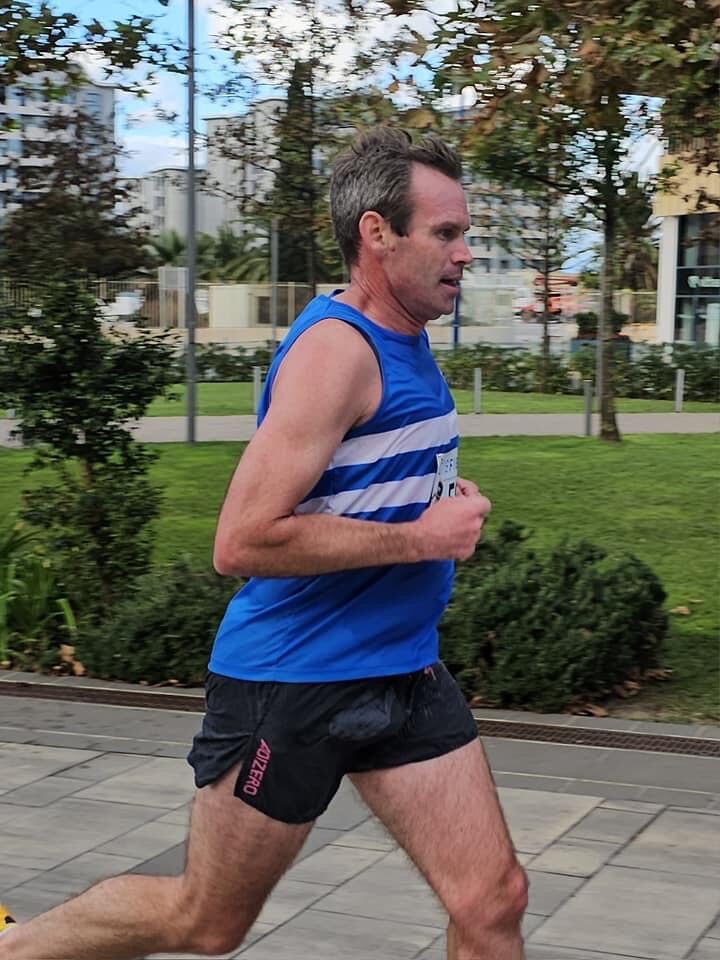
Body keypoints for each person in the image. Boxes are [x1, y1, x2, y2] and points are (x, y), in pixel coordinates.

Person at [0, 125, 528, 960]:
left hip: (402, 667)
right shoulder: (336, 352)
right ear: (377, 233)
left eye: (465, 232)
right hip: (295, 681)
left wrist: (430, 499)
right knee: (206, 921)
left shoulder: (407, 337)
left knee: (492, 901)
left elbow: (361, 479)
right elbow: (243, 541)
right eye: (447, 232)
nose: (466, 252)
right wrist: (421, 536)